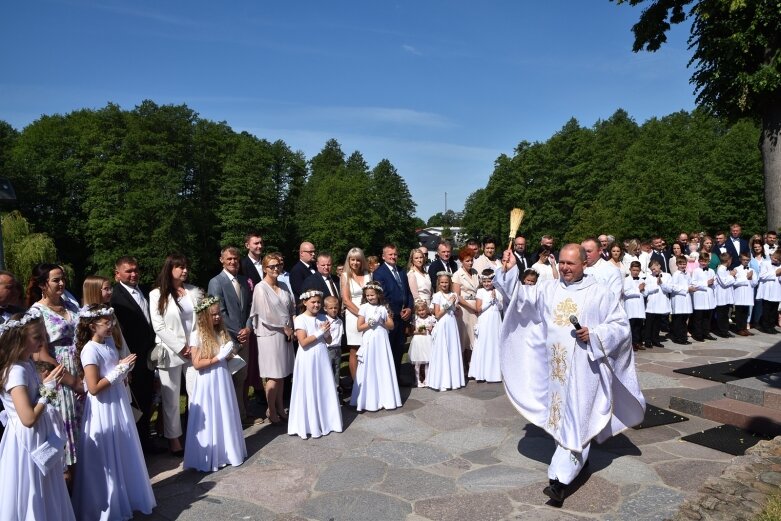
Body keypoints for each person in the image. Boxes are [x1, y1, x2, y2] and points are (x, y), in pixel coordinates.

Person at [495, 244, 645, 506]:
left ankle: (560, 480)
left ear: (584, 264)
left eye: (570, 264)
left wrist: (596, 335)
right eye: (561, 262)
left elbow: (620, 327)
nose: (564, 268)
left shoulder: (600, 293)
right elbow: (519, 299)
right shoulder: (548, 288)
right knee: (561, 420)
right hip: (554, 370)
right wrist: (509, 270)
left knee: (577, 421)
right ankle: (577, 463)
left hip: (585, 371)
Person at [72, 304, 155, 519]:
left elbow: (111, 371)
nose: (111, 325)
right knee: (106, 453)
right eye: (105, 322)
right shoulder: (89, 350)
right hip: (103, 408)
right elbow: (93, 387)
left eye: (112, 321)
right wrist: (120, 370)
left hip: (117, 402)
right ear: (92, 326)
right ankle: (107, 504)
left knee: (122, 447)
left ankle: (125, 497)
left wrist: (122, 370)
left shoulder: (109, 344)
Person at [0, 309, 74, 520]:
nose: (43, 340)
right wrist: (48, 391)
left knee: (45, 488)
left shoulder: (27, 364)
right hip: (26, 440)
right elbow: (28, 418)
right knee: (32, 489)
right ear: (19, 340)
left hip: (38, 435)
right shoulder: (16, 371)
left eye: (43, 335)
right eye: (37, 337)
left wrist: (44, 384)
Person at [28, 263, 82, 474]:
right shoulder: (36, 313)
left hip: (81, 367)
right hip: (59, 377)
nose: (61, 283)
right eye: (56, 280)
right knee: (68, 441)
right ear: (43, 285)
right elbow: (39, 354)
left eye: (62, 279)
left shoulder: (71, 305)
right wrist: (74, 382)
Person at [184, 296, 247, 471]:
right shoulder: (197, 335)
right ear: (204, 316)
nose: (217, 317)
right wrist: (219, 357)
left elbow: (226, 353)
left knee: (224, 411)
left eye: (218, 314)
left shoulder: (221, 333)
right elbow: (197, 364)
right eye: (213, 315)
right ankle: (213, 454)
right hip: (208, 380)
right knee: (212, 412)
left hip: (223, 377)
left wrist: (230, 354)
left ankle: (228, 450)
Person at [148, 253, 202, 456]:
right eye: (180, 267)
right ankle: (174, 440)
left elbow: (198, 322)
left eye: (186, 266)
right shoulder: (157, 294)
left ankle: (197, 433)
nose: (185, 270)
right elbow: (159, 326)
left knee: (196, 394)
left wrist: (193, 345)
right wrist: (180, 346)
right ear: (170, 269)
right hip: (170, 351)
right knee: (170, 398)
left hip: (193, 350)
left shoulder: (193, 292)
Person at [110, 256, 158, 453]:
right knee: (135, 402)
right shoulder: (115, 297)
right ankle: (136, 447)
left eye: (136, 270)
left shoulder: (145, 291)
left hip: (149, 354)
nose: (133, 274)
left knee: (148, 399)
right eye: (128, 271)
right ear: (117, 274)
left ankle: (146, 442)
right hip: (131, 356)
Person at [207, 246, 257, 427]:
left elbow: (251, 307)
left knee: (242, 378)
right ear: (221, 260)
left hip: (245, 336)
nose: (233, 262)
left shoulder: (244, 281)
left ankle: (242, 414)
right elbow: (218, 312)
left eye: (235, 259)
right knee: (230, 379)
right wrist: (238, 332)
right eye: (229, 259)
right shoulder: (216, 282)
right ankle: (232, 419)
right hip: (227, 338)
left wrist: (248, 329)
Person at [290, 290, 343, 437]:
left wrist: (326, 333)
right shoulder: (300, 319)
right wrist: (320, 332)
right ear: (305, 302)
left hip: (321, 356)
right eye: (313, 302)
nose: (316, 305)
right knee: (310, 386)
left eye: (318, 302)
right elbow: (303, 342)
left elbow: (329, 340)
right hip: (308, 357)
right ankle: (310, 424)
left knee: (323, 386)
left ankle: (327, 421)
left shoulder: (322, 317)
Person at [250, 253, 295, 423]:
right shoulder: (260, 288)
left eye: (278, 266)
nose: (276, 269)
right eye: (272, 266)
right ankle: (271, 410)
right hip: (270, 334)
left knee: (282, 374)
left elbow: (291, 307)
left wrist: (292, 327)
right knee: (273, 375)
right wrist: (284, 327)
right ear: (264, 268)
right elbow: (264, 315)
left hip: (286, 333)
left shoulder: (283, 285)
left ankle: (280, 407)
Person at [349, 282, 401, 412]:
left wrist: (382, 321)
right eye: (367, 295)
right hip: (370, 340)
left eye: (372, 295)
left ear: (378, 295)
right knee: (369, 366)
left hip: (381, 339)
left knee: (382, 364)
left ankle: (386, 398)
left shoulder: (384, 308)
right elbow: (359, 327)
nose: (370, 297)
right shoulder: (364, 307)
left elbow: (391, 325)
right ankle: (368, 399)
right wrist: (371, 322)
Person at [371, 244, 413, 379]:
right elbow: (382, 297)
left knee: (399, 349)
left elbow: (408, 292)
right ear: (383, 257)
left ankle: (396, 376)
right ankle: (387, 379)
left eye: (395, 254)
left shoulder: (401, 270)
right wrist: (394, 311)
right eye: (390, 254)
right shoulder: (379, 273)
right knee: (388, 350)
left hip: (403, 318)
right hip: (390, 318)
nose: (393, 257)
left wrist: (409, 308)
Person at [426, 272, 464, 392]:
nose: (444, 284)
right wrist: (448, 304)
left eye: (446, 282)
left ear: (450, 283)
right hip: (442, 324)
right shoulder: (437, 295)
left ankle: (454, 380)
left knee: (452, 350)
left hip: (452, 323)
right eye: (442, 282)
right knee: (443, 350)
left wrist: (456, 307)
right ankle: (442, 380)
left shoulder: (454, 294)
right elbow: (437, 314)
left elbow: (457, 313)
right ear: (439, 283)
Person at [340, 247, 371, 383]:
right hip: (353, 315)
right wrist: (361, 314)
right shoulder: (345, 276)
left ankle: (368, 379)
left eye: (358, 260)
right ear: (349, 260)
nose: (355, 263)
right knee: (354, 349)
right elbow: (346, 300)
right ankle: (357, 383)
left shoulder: (367, 274)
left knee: (368, 346)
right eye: (352, 260)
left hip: (368, 313)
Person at [468, 269, 503, 383]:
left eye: (489, 281)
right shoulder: (481, 292)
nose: (487, 284)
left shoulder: (498, 291)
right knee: (484, 343)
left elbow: (501, 307)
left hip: (495, 319)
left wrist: (496, 300)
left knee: (494, 343)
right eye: (485, 281)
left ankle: (494, 373)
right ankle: (481, 372)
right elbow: (478, 308)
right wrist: (489, 301)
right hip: (485, 319)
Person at [452, 247, 479, 373]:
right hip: (465, 308)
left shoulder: (475, 272)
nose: (470, 263)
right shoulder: (457, 275)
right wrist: (472, 307)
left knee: (473, 337)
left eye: (471, 260)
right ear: (462, 261)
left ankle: (472, 365)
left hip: (476, 306)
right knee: (464, 337)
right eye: (467, 261)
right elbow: (457, 296)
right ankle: (462, 365)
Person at [642, 260, 672, 349]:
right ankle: (647, 340)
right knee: (649, 324)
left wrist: (662, 284)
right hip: (651, 304)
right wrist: (655, 286)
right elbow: (645, 291)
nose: (653, 271)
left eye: (654, 269)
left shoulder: (667, 276)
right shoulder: (648, 277)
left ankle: (656, 340)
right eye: (651, 270)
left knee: (657, 324)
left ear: (659, 266)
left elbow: (670, 289)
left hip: (661, 303)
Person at [690, 252, 716, 342]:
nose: (704, 263)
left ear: (709, 261)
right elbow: (693, 283)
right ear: (699, 261)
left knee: (707, 317)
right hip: (700, 296)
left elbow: (714, 283)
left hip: (709, 296)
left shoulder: (712, 271)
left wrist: (713, 284)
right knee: (698, 318)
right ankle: (697, 334)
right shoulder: (696, 271)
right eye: (702, 261)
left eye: (706, 261)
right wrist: (706, 283)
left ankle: (706, 332)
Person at [669, 256, 694, 345]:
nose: (683, 266)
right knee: (678, 320)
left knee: (684, 320)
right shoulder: (676, 274)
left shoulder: (687, 274)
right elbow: (674, 287)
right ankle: (677, 338)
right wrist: (687, 289)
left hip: (686, 300)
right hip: (678, 300)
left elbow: (690, 283)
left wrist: (692, 287)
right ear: (677, 264)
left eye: (684, 264)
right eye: (681, 264)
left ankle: (683, 337)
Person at [409, 300, 435, 387]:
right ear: (416, 311)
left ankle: (427, 379)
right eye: (419, 310)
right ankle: (417, 380)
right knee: (417, 362)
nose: (421, 312)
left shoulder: (430, 318)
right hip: (418, 342)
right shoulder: (415, 319)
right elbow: (411, 331)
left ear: (426, 309)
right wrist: (421, 330)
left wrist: (431, 329)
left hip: (427, 340)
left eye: (423, 310)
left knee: (428, 361)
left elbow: (434, 330)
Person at [623, 261, 646, 351]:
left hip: (639, 306)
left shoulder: (641, 280)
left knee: (639, 326)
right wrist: (638, 289)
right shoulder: (626, 280)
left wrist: (644, 290)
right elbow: (626, 292)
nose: (635, 272)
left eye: (637, 270)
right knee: (631, 326)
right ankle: (631, 344)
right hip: (631, 306)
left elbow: (645, 293)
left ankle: (638, 342)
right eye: (634, 270)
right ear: (630, 270)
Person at [757, 250, 781, 334]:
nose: (775, 260)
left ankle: (771, 326)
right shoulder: (765, 263)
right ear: (771, 256)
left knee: (774, 310)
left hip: (777, 291)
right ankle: (765, 326)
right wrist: (775, 273)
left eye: (778, 259)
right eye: (774, 258)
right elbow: (762, 276)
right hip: (767, 290)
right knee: (767, 309)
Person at [733, 253, 757, 336]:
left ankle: (744, 328)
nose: (746, 261)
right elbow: (735, 282)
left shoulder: (752, 270)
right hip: (739, 294)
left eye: (747, 260)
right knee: (739, 312)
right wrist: (746, 278)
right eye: (744, 259)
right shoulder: (736, 269)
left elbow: (755, 283)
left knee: (746, 312)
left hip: (748, 293)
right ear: (740, 259)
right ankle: (739, 329)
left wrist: (750, 278)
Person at [322, 295, 344, 387]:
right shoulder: (324, 321)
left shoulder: (340, 321)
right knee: (327, 370)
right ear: (325, 308)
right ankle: (327, 388)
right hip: (328, 349)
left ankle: (336, 388)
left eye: (335, 308)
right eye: (330, 308)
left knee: (337, 369)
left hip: (337, 348)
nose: (333, 310)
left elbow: (340, 335)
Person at [713, 253, 736, 338]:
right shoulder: (721, 270)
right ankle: (722, 331)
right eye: (731, 260)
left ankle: (726, 330)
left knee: (726, 315)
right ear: (728, 260)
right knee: (721, 315)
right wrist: (732, 275)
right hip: (722, 297)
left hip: (727, 296)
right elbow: (724, 282)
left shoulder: (726, 269)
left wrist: (731, 276)